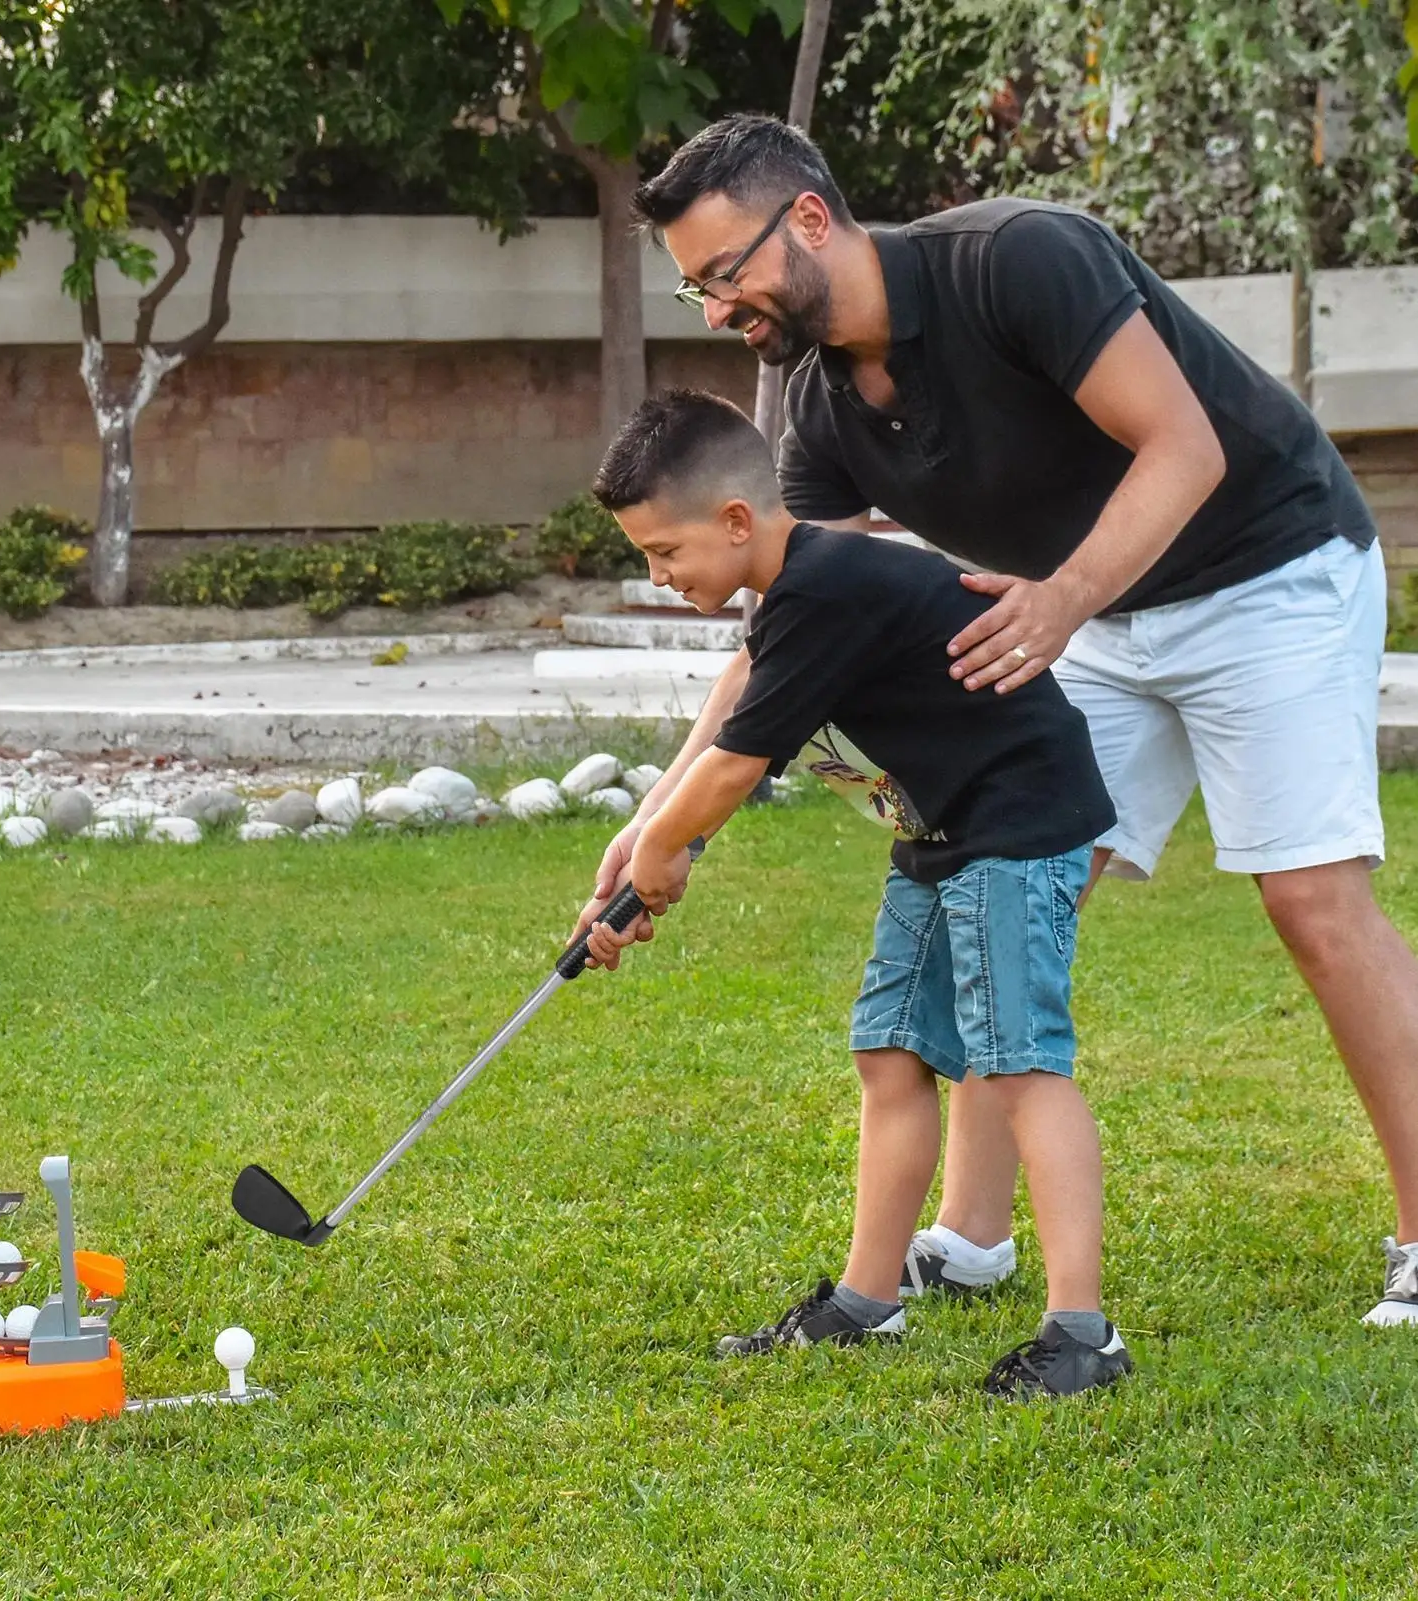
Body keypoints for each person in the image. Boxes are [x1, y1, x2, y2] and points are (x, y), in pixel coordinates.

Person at [575, 113, 1418, 1329]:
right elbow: (785, 632)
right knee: (1011, 879)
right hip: (1080, 612)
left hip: (1261, 569)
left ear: (806, 218)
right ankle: (968, 1236)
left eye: (724, 273)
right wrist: (660, 821)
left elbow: (1181, 447)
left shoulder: (1015, 259)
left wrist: (1064, 601)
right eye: (695, 285)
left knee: (1309, 902)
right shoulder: (819, 408)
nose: (714, 308)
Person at [583, 385, 1131, 1398]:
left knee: (1016, 1065)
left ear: (736, 521)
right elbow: (727, 722)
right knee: (890, 1050)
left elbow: (735, 769)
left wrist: (666, 853)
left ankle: (1081, 1335)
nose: (658, 576)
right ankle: (863, 1300)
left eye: (665, 554)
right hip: (937, 834)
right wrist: (642, 837)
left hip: (1015, 827)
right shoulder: (796, 595)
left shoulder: (824, 587)